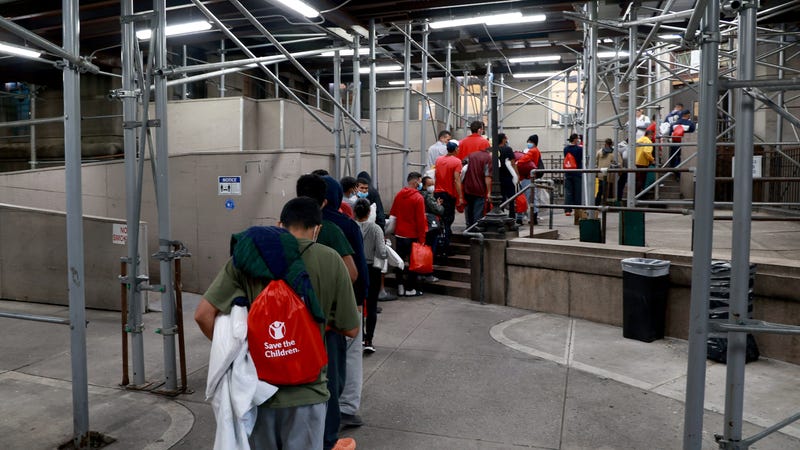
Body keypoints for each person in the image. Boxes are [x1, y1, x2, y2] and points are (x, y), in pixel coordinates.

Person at [194, 196, 360, 450]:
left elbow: (203, 315)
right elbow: (351, 327)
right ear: (318, 228)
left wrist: (237, 352)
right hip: (309, 391)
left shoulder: (248, 257)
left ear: (280, 225)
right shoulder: (331, 260)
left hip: (258, 392)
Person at [320, 175, 369, 442]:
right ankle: (346, 408)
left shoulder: (297, 222)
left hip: (311, 306)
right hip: (346, 302)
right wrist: (363, 298)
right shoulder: (343, 225)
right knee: (349, 355)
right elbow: (357, 269)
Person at [353, 198, 387, 355]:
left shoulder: (350, 227)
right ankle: (369, 340)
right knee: (372, 305)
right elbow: (381, 252)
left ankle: (358, 337)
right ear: (369, 212)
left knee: (356, 303)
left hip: (354, 268)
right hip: (372, 269)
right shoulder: (376, 229)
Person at [389, 171, 428, 297]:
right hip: (413, 235)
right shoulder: (418, 198)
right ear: (416, 181)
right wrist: (422, 239)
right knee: (413, 263)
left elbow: (393, 214)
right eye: (420, 181)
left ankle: (400, 287)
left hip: (399, 234)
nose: (420, 183)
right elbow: (421, 221)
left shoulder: (399, 195)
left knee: (399, 262)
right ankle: (410, 289)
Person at [433, 141, 464, 258]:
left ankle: (437, 247)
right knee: (447, 221)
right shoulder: (457, 162)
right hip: (448, 194)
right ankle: (445, 248)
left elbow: (436, 175)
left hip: (438, 193)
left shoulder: (439, 160)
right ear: (455, 149)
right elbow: (456, 180)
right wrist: (460, 196)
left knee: (439, 220)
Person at [462, 138, 492, 228]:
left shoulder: (472, 155)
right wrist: (489, 192)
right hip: (479, 189)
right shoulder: (488, 158)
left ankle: (468, 226)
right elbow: (487, 176)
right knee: (478, 211)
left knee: (469, 209)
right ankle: (475, 229)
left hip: (468, 187)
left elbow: (463, 165)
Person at [420, 175, 444, 281]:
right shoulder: (428, 196)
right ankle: (428, 273)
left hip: (422, 226)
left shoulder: (419, 194)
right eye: (430, 185)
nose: (432, 187)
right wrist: (439, 205)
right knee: (430, 250)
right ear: (424, 185)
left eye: (433, 184)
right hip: (430, 227)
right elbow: (439, 210)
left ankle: (420, 273)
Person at [517, 134, 543, 225]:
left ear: (534, 143)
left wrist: (516, 163)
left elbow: (523, 160)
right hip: (531, 176)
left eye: (530, 142)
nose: (528, 143)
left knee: (525, 198)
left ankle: (525, 218)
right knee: (532, 197)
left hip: (526, 177)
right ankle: (533, 217)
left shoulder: (532, 151)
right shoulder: (537, 151)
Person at [497, 133, 519, 219]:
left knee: (500, 197)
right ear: (503, 139)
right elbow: (513, 163)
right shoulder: (508, 149)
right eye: (505, 138)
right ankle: (512, 216)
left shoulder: (494, 150)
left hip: (498, 177)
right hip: (508, 176)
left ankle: (501, 215)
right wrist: (517, 174)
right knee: (511, 197)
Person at [669, 109, 696, 178]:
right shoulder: (690, 124)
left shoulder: (675, 124)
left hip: (675, 143)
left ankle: (675, 173)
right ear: (688, 115)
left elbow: (670, 134)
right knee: (683, 159)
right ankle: (681, 175)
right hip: (686, 144)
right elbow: (693, 133)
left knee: (675, 157)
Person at [563, 133, 583, 216]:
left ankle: (568, 210)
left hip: (568, 172)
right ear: (575, 139)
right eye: (577, 139)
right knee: (577, 191)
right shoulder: (579, 149)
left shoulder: (566, 149)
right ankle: (577, 210)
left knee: (568, 192)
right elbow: (580, 159)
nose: (578, 140)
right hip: (577, 172)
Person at [595, 138, 615, 205]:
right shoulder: (614, 152)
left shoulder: (599, 152)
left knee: (600, 190)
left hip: (601, 173)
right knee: (608, 190)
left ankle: (597, 204)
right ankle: (605, 204)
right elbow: (618, 162)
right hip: (610, 174)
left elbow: (596, 162)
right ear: (611, 144)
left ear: (605, 144)